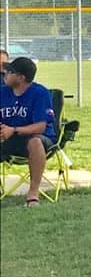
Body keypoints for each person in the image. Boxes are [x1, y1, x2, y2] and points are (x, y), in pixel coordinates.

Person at [0, 56, 57, 207]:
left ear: (21, 77)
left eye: (9, 71)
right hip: (8, 137)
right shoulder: (2, 92)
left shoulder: (40, 93)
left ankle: (33, 194)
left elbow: (40, 126)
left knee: (35, 142)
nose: (5, 73)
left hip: (37, 138)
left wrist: (14, 129)